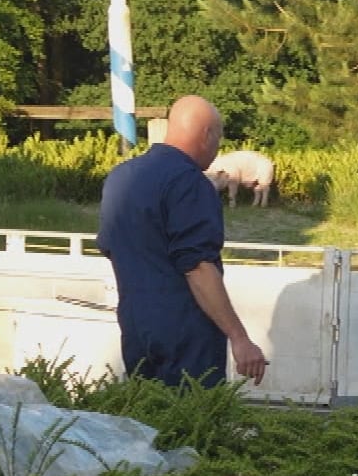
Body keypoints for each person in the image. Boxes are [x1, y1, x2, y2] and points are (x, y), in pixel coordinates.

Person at [97, 95, 267, 389]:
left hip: (135, 327)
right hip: (186, 334)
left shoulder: (120, 177)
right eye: (219, 138)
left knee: (148, 423)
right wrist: (239, 338)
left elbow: (111, 247)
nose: (217, 149)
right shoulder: (191, 183)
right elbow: (198, 266)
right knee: (192, 427)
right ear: (207, 135)